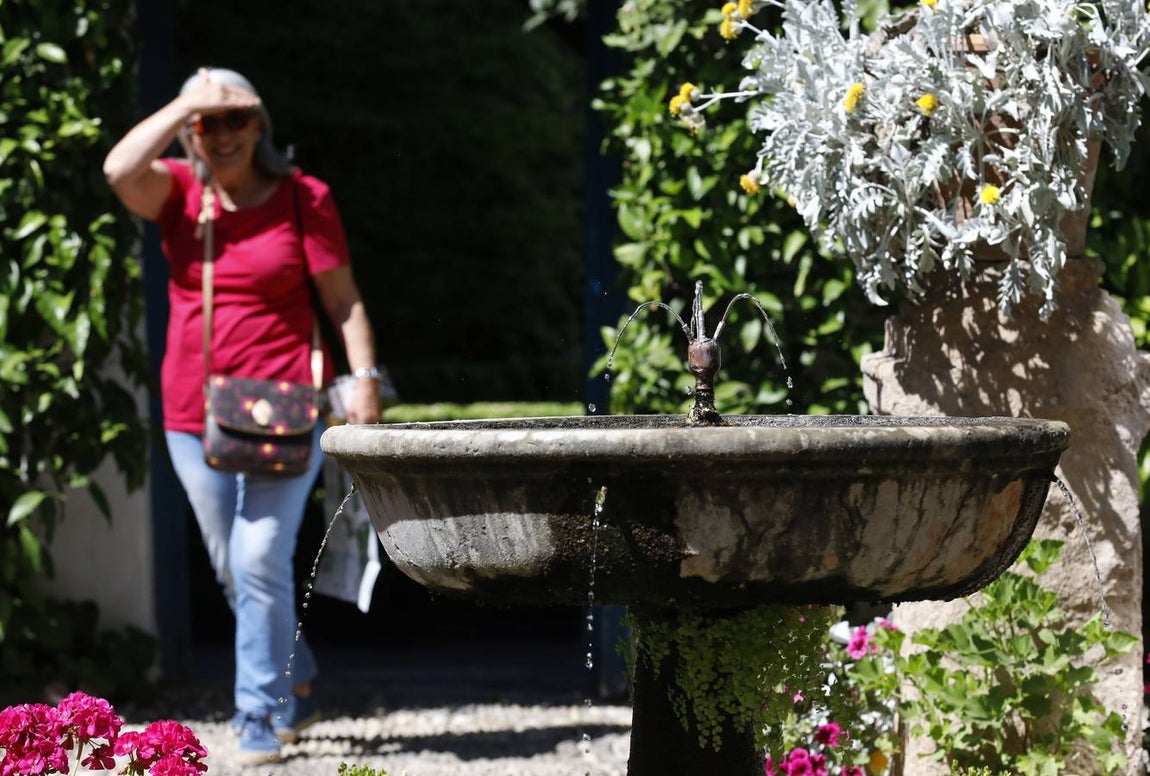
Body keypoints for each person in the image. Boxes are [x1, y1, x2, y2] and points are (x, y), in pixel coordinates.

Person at [103, 67, 382, 765]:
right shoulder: (180, 193)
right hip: (191, 416)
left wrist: (366, 383)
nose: (223, 133)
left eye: (237, 118)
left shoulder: (302, 198)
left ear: (261, 125)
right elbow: (118, 168)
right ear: (192, 131)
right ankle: (298, 675)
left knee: (259, 557)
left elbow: (343, 300)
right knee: (236, 568)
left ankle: (258, 712)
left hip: (286, 410)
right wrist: (186, 102)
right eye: (209, 122)